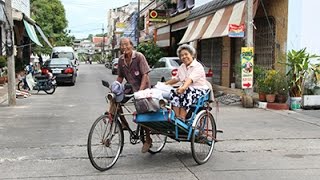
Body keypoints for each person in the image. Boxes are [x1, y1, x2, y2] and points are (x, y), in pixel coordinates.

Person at [116, 37, 152, 153]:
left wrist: (140, 92)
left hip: (143, 87)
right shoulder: (121, 60)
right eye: (122, 45)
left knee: (142, 112)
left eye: (126, 44)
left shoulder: (139, 56)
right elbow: (120, 77)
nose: (124, 47)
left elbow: (145, 75)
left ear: (131, 45)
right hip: (130, 87)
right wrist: (116, 87)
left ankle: (148, 139)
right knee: (115, 99)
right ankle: (123, 124)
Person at [165, 44, 209, 121]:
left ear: (192, 55)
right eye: (182, 55)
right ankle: (176, 117)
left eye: (186, 54)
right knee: (173, 92)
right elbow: (176, 79)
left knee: (186, 91)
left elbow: (190, 79)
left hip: (199, 90)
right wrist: (164, 84)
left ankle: (182, 117)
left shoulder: (198, 66)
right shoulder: (182, 67)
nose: (184, 57)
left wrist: (183, 88)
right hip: (187, 89)